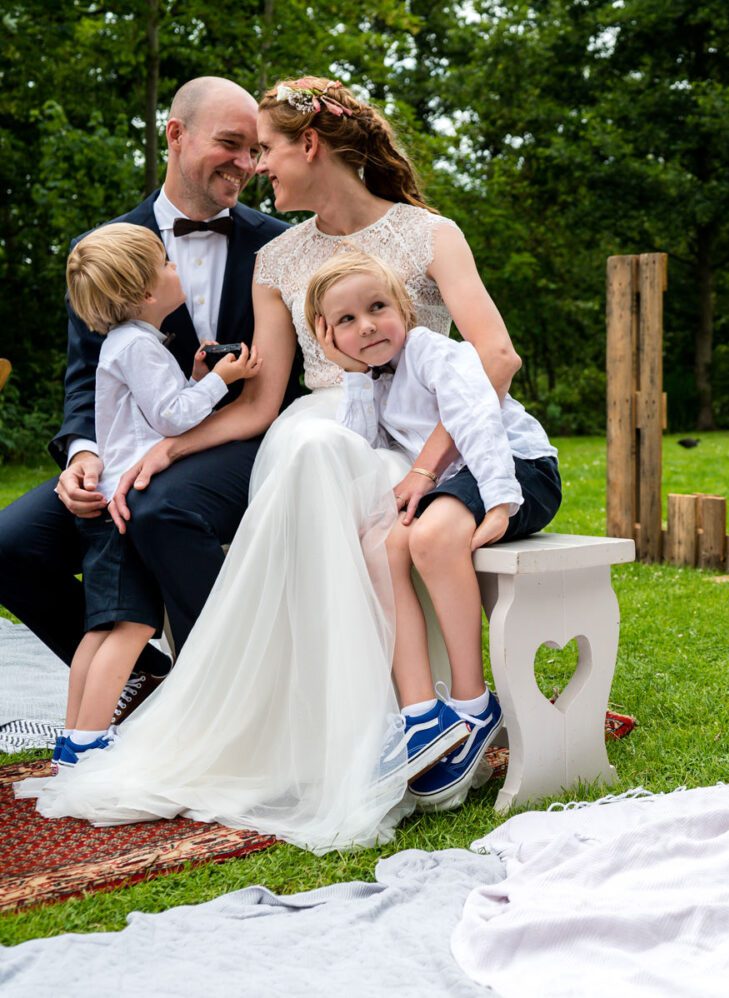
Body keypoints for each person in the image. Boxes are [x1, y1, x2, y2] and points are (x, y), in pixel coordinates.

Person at [18, 76, 525, 854]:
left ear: (310, 146)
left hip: (424, 424)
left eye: (266, 151)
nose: (257, 168)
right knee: (310, 445)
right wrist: (170, 445)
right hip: (322, 417)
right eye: (242, 149)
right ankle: (286, 708)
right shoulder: (276, 254)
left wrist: (430, 462)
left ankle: (397, 715)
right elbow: (257, 406)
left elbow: (492, 358)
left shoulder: (429, 234)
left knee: (315, 457)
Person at [0, 78, 291, 722]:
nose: (247, 164)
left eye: (254, 150)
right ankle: (143, 677)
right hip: (130, 449)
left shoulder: (277, 241)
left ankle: (223, 685)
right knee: (8, 543)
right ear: (176, 134)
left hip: (239, 443)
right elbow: (86, 380)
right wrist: (81, 455)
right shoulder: (104, 249)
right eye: (230, 144)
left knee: (158, 507)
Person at [308, 251, 560, 810]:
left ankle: (474, 703)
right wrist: (349, 375)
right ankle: (420, 714)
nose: (367, 325)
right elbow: (359, 447)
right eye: (346, 321)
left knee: (429, 536)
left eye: (377, 308)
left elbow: (477, 418)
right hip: (459, 484)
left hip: (517, 468)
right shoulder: (371, 380)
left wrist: (499, 499)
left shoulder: (431, 352)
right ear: (327, 336)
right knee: (381, 547)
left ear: (404, 310)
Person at [55, 224, 263, 767]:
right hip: (126, 506)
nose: (177, 271)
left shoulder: (130, 343)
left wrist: (195, 375)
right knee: (132, 625)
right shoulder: (139, 347)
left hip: (107, 506)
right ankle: (92, 744)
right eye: (167, 266)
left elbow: (157, 411)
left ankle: (73, 738)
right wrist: (221, 378)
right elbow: (172, 419)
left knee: (101, 623)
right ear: (148, 293)